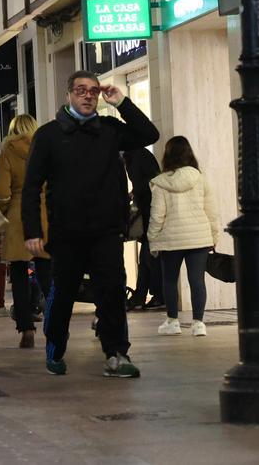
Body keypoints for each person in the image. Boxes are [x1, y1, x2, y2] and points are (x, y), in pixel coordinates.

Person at [22, 70, 158, 379]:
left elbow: (149, 134)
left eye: (94, 91)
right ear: (68, 94)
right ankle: (55, 346)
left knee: (111, 291)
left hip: (107, 229)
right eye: (81, 90)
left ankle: (116, 352)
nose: (88, 96)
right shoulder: (48, 135)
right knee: (64, 292)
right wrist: (32, 231)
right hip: (66, 231)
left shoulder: (110, 129)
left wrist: (122, 102)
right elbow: (31, 187)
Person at [147, 136, 219, 338]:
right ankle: (198, 324)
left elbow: (157, 215)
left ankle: (173, 321)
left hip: (171, 239)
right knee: (197, 280)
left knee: (169, 280)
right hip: (199, 237)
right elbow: (211, 210)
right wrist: (214, 235)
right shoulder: (199, 178)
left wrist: (153, 238)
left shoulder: (160, 182)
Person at [0, 114, 52, 349]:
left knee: (18, 274)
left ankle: (26, 328)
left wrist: (1, 211)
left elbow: (2, 190)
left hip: (18, 214)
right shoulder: (45, 146)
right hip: (44, 213)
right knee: (47, 272)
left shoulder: (8, 150)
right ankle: (54, 322)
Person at [123, 148, 164, 311]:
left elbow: (149, 184)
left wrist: (136, 194)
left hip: (151, 215)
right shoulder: (134, 155)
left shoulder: (137, 156)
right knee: (146, 257)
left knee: (148, 257)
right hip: (148, 214)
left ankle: (150, 295)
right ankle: (143, 296)